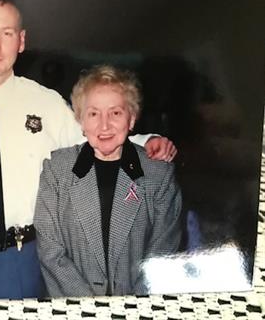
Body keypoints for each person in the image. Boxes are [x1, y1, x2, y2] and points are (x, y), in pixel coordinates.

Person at [0, 0, 176, 300]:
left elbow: (94, 138)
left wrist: (147, 142)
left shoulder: (46, 104)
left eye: (7, 34)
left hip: (22, 259)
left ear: (21, 41)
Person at [34, 65, 182, 297]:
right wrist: (90, 307)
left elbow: (163, 256)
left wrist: (131, 308)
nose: (104, 125)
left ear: (131, 119)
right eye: (93, 114)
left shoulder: (158, 176)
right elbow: (51, 253)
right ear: (81, 120)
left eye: (115, 113)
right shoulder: (56, 171)